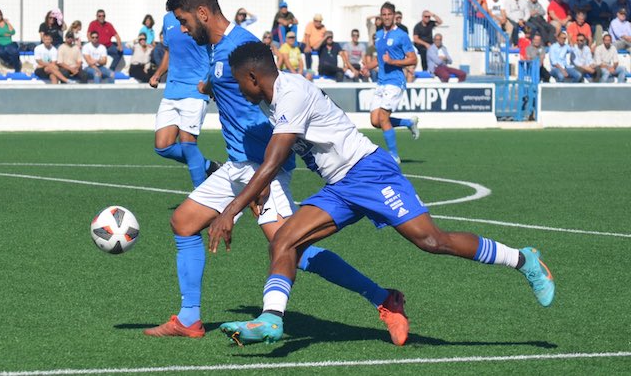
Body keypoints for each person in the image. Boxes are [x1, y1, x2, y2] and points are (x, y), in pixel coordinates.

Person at [210, 41, 555, 346]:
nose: (240, 91)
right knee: (284, 240)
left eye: (240, 84)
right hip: (340, 187)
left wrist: (230, 210)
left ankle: (523, 259)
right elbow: (281, 153)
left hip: (369, 172)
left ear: (253, 77)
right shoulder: (270, 100)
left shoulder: (291, 93)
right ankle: (271, 320)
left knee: (432, 241)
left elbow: (274, 158)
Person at [144, 0, 389, 340]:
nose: (181, 29)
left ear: (202, 13)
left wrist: (263, 177)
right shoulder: (215, 48)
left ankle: (383, 298)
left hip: (261, 170)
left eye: (183, 21)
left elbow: (275, 110)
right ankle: (189, 319)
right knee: (183, 223)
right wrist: (209, 86)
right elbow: (231, 89)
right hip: (237, 166)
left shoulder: (242, 47)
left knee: (294, 249)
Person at [148, 0, 218, 189]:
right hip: (172, 90)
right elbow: (169, 51)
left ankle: (200, 195)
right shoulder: (169, 19)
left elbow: (216, 49)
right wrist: (158, 74)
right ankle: (209, 166)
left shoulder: (202, 17)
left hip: (195, 88)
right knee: (162, 146)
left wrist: (211, 82)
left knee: (188, 144)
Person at [365, 2, 420, 163]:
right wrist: (369, 66)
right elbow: (381, 58)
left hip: (395, 81)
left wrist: (393, 62)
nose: (387, 17)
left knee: (383, 117)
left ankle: (394, 155)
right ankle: (408, 122)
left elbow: (413, 59)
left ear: (394, 16)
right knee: (375, 121)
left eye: (389, 14)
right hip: (381, 82)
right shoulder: (380, 34)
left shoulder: (401, 35)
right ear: (381, 16)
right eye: (384, 14)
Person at [0, 8, 22, 72]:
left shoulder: (6, 23)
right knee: (1, 52)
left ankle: (17, 70)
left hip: (8, 42)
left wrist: (8, 23)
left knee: (14, 51)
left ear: (1, 15)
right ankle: (11, 63)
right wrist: (6, 33)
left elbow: (13, 32)